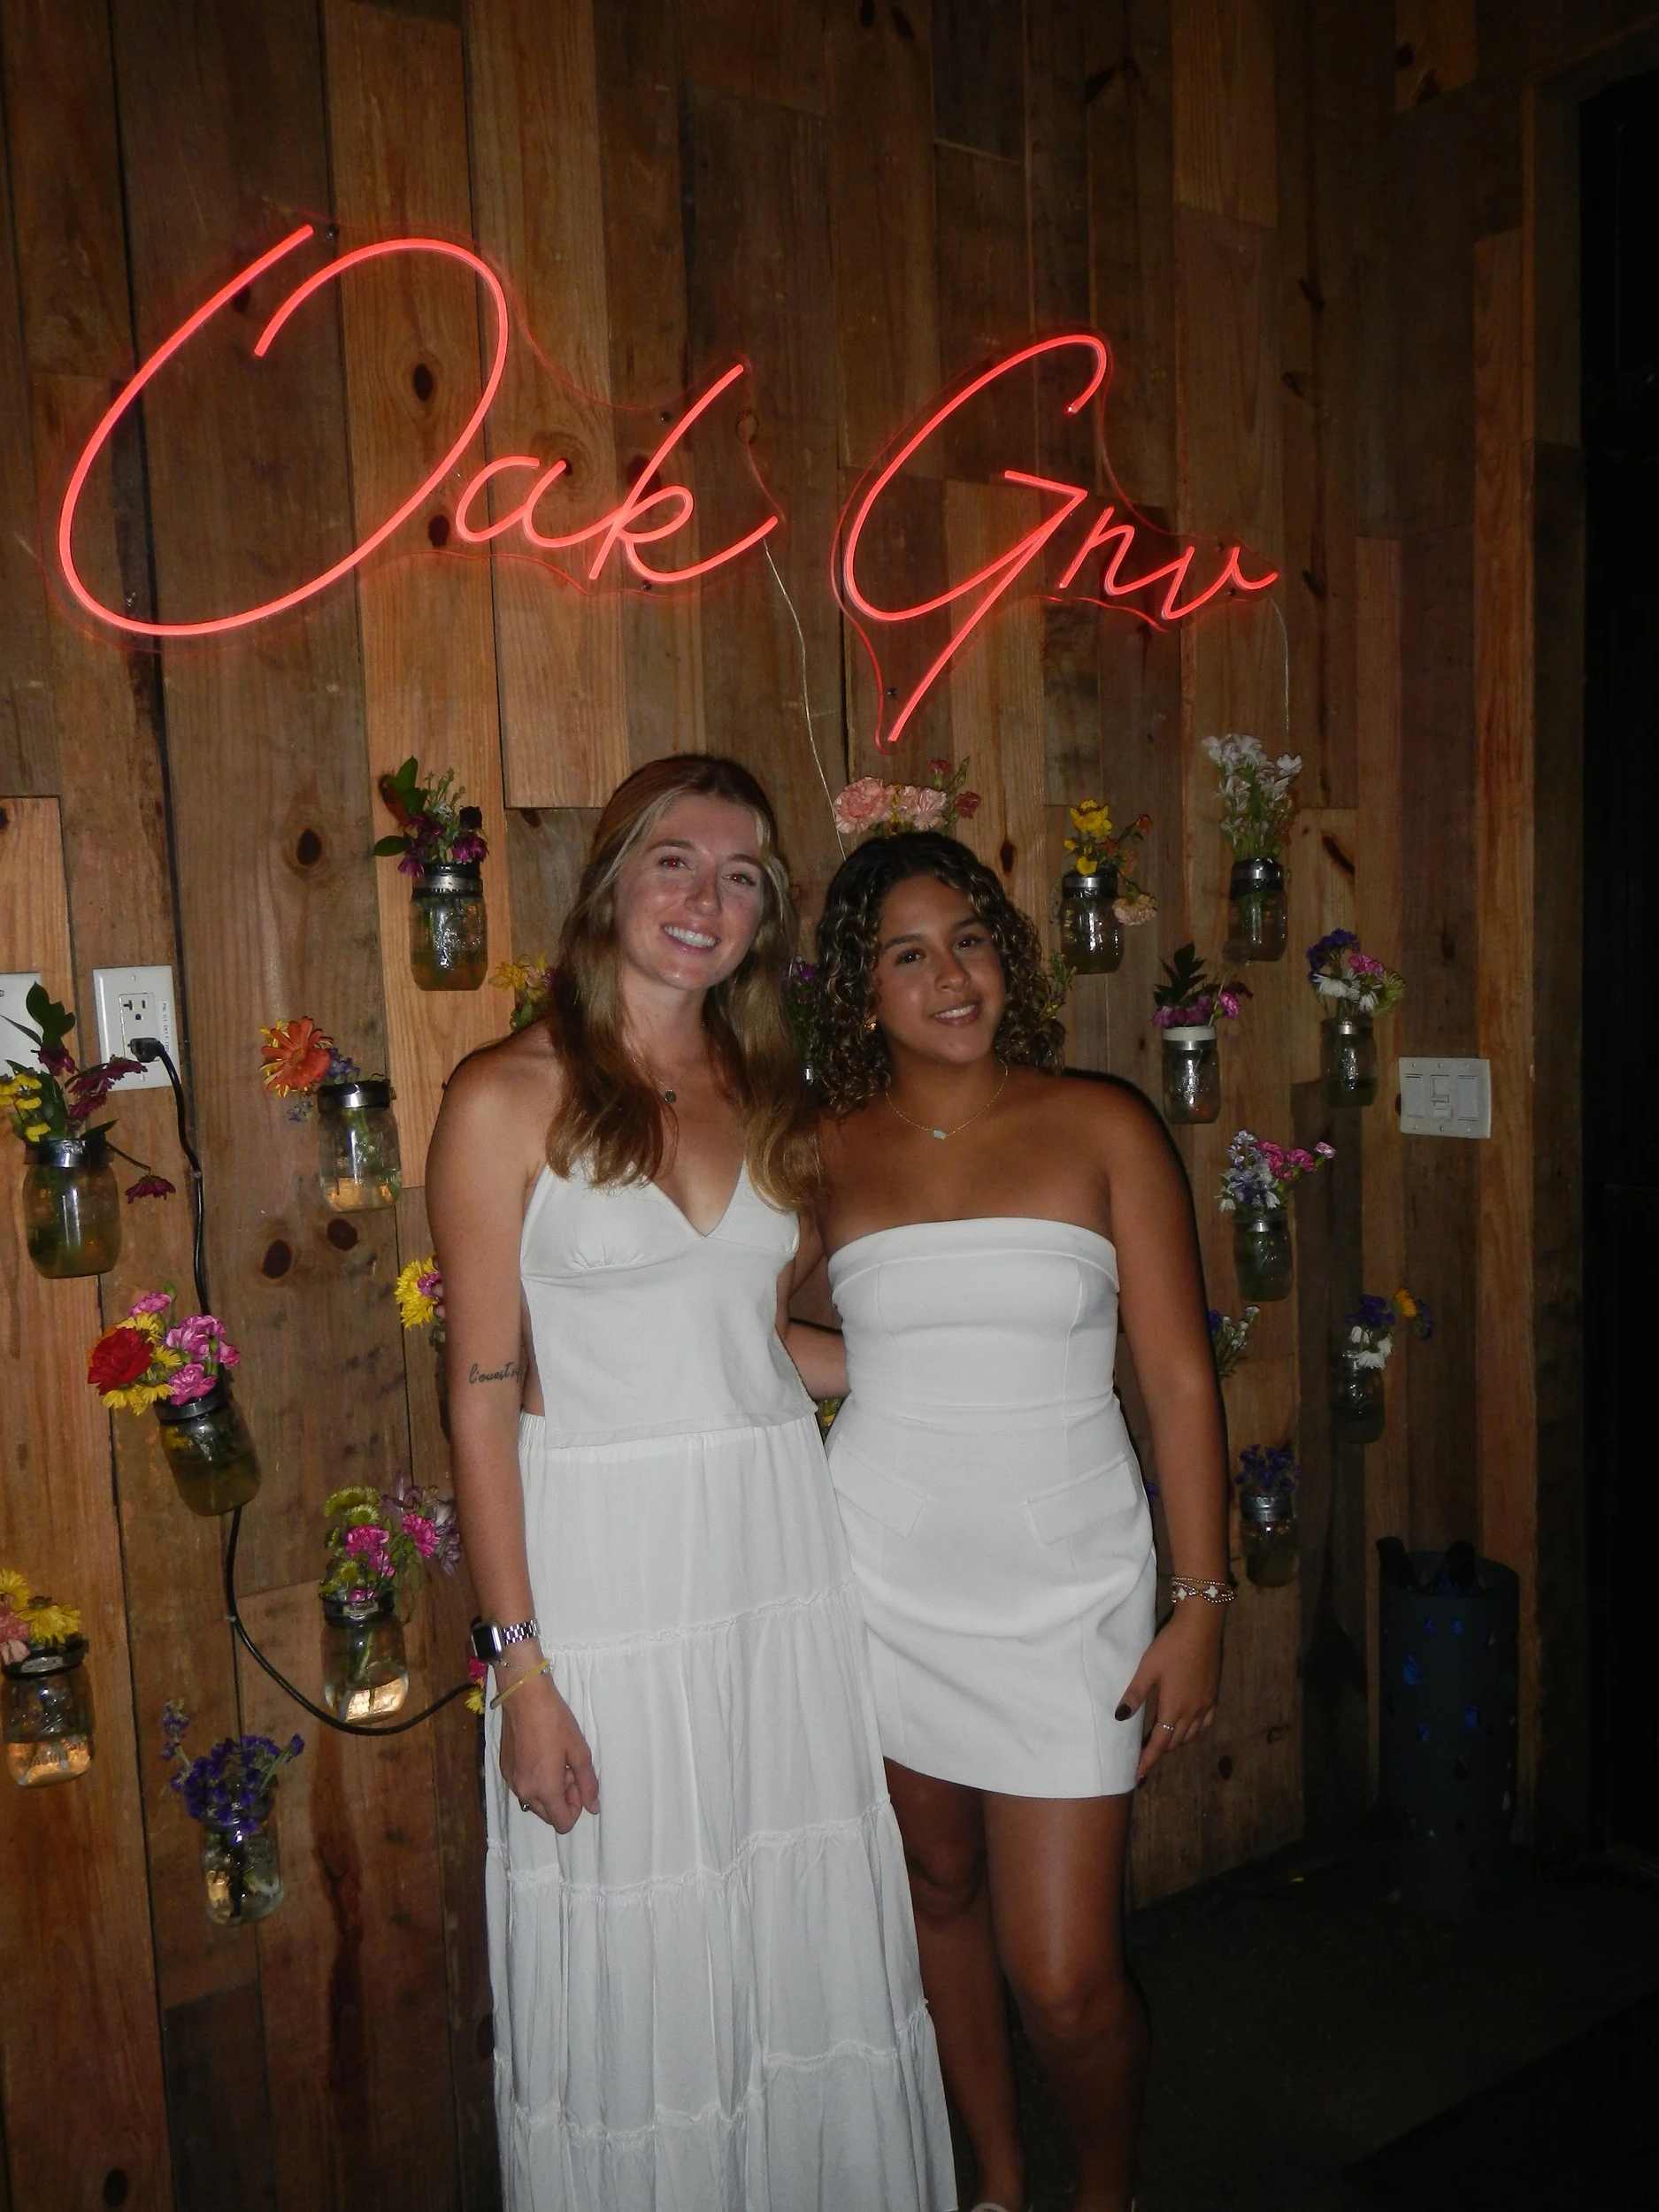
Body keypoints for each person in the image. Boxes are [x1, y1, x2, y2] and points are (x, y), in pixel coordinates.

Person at [426, 757, 954, 2212]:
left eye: (739, 876)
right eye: (674, 861)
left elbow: (751, 1346)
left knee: (789, 1928)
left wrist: (951, 1359)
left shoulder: (769, 1097)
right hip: (605, 1569)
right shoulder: (505, 1097)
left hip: (774, 1555)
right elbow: (479, 1394)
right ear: (611, 882)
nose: (704, 898)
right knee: (639, 1936)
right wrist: (518, 1670)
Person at [807, 829, 1231, 2212]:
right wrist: (876, 1374)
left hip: (1067, 1592)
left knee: (1063, 1973)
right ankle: (989, 2179)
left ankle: (1098, 2194)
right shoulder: (822, 1150)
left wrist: (1202, 1601)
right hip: (879, 1575)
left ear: (1010, 956)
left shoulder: (1099, 1121)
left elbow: (1172, 1375)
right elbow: (739, 1322)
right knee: (935, 1895)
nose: (949, 977)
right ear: (859, 990)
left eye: (970, 940)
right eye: (907, 954)